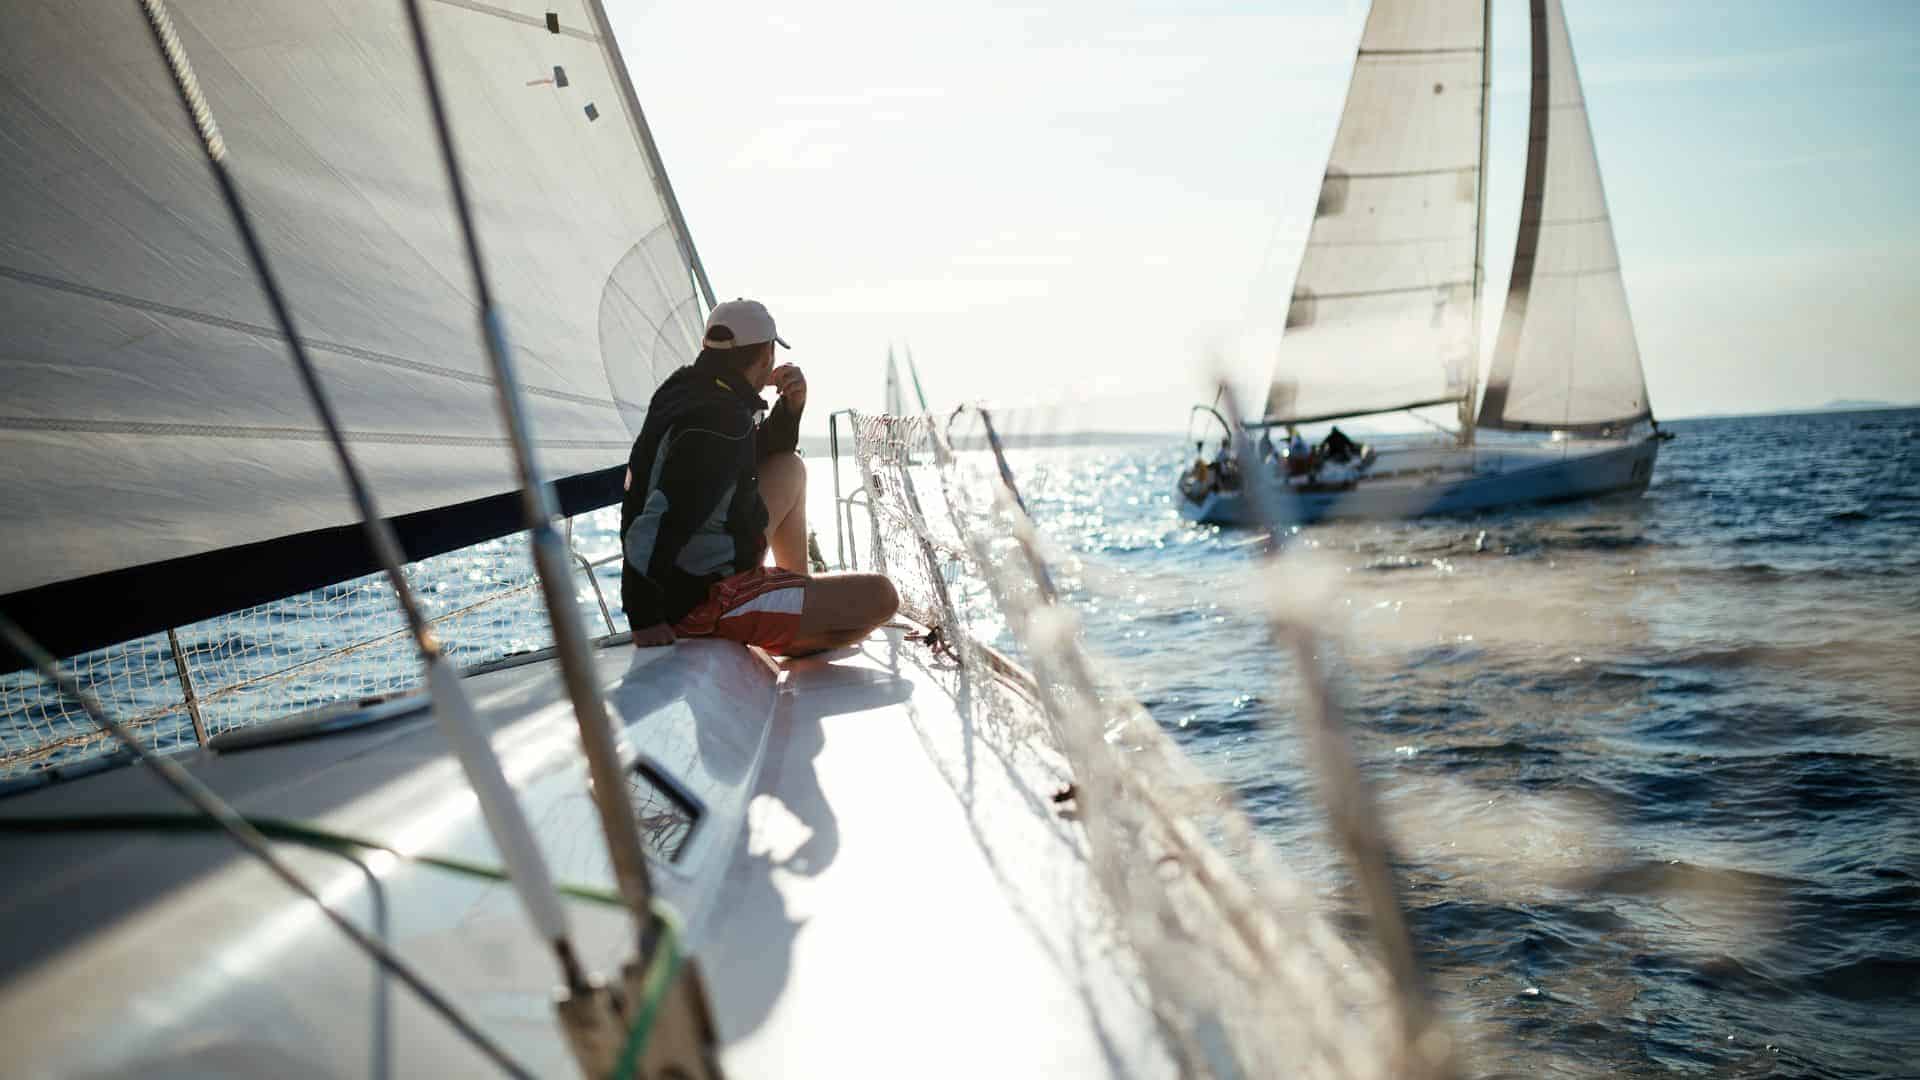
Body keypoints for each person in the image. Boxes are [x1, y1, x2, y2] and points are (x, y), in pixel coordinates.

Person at [620, 299, 898, 656]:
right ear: (767, 354)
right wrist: (645, 617)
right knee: (881, 597)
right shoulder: (719, 422)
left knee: (788, 467)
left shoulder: (689, 390)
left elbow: (751, 452)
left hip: (700, 567)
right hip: (704, 598)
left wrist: (790, 407)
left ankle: (796, 594)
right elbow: (658, 521)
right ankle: (798, 628)